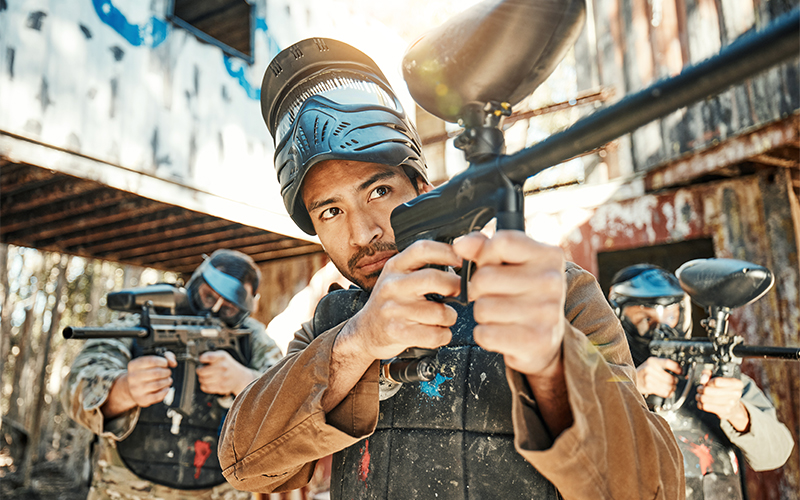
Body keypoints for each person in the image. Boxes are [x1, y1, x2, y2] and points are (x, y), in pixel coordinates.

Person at [218, 38, 684, 499]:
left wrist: (553, 364)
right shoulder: (335, 322)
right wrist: (360, 343)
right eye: (331, 212)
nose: (361, 234)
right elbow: (244, 462)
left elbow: (652, 487)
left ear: (421, 187)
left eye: (378, 192)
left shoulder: (560, 297)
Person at [64, 249, 282, 500]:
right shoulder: (147, 318)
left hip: (219, 493)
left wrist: (243, 381)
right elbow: (77, 385)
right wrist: (125, 390)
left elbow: (289, 399)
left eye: (229, 307)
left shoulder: (252, 336)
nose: (213, 311)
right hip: (124, 489)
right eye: (208, 296)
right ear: (196, 283)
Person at [608, 264, 794, 500]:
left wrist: (738, 413)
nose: (663, 329)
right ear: (618, 319)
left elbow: (778, 453)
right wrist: (627, 387)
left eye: (671, 315)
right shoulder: (599, 378)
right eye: (646, 318)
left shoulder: (713, 377)